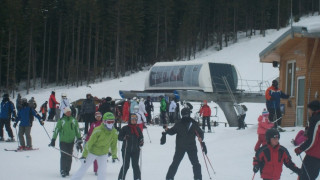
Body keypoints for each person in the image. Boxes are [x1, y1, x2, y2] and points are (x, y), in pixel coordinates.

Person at [71, 112, 118, 180]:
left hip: (103, 153)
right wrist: (84, 155)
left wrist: (114, 156)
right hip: (92, 152)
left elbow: (114, 145)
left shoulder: (114, 132)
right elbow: (89, 143)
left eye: (112, 122)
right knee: (83, 168)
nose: (110, 124)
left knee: (102, 172)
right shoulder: (98, 130)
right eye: (109, 122)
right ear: (104, 121)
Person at [164, 108, 204, 180]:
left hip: (191, 147)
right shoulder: (179, 123)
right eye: (184, 115)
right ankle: (169, 178)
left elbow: (200, 132)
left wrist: (201, 137)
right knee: (175, 163)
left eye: (187, 114)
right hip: (180, 147)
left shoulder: (193, 123)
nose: (185, 116)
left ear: (189, 114)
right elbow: (172, 131)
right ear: (182, 115)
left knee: (195, 163)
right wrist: (167, 130)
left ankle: (198, 178)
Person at [49, 107, 82, 177]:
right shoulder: (61, 120)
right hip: (63, 141)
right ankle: (63, 170)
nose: (69, 113)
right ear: (64, 113)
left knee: (69, 156)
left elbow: (77, 129)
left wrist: (79, 138)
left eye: (69, 111)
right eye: (67, 112)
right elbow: (56, 130)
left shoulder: (73, 120)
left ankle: (67, 170)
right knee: (64, 156)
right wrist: (53, 140)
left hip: (71, 141)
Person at [294, 100, 320, 180]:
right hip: (317, 156)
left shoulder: (315, 119)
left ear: (313, 109)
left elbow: (312, 140)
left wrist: (301, 148)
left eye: (308, 109)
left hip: (313, 155)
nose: (308, 111)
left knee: (304, 176)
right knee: (311, 176)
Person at [118, 114, 144, 180]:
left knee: (135, 165)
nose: (134, 121)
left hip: (135, 150)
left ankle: (137, 178)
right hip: (126, 149)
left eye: (135, 120)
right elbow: (119, 137)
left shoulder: (138, 129)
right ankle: (121, 178)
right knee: (126, 165)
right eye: (132, 120)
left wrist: (141, 142)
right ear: (130, 120)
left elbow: (141, 137)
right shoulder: (125, 128)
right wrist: (124, 138)